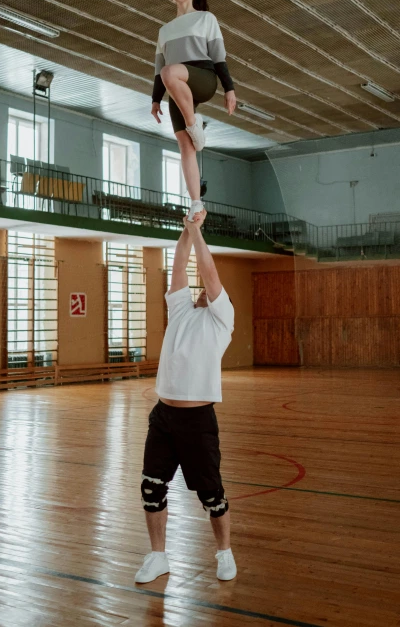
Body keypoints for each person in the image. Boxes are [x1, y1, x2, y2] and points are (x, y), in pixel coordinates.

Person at [135, 210, 237, 584]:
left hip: (197, 421)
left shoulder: (221, 318)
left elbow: (209, 274)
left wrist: (197, 232)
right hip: (163, 416)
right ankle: (157, 556)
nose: (200, 291)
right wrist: (184, 232)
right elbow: (179, 267)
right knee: (151, 487)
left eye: (207, 292)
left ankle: (224, 553)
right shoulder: (180, 311)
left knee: (211, 495)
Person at [151, 0, 236, 221]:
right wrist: (155, 100)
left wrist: (229, 89)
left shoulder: (206, 19)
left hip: (203, 78)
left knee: (170, 71)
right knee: (185, 147)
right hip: (176, 86)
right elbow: (158, 72)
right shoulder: (164, 30)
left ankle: (193, 123)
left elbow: (219, 57)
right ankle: (196, 203)